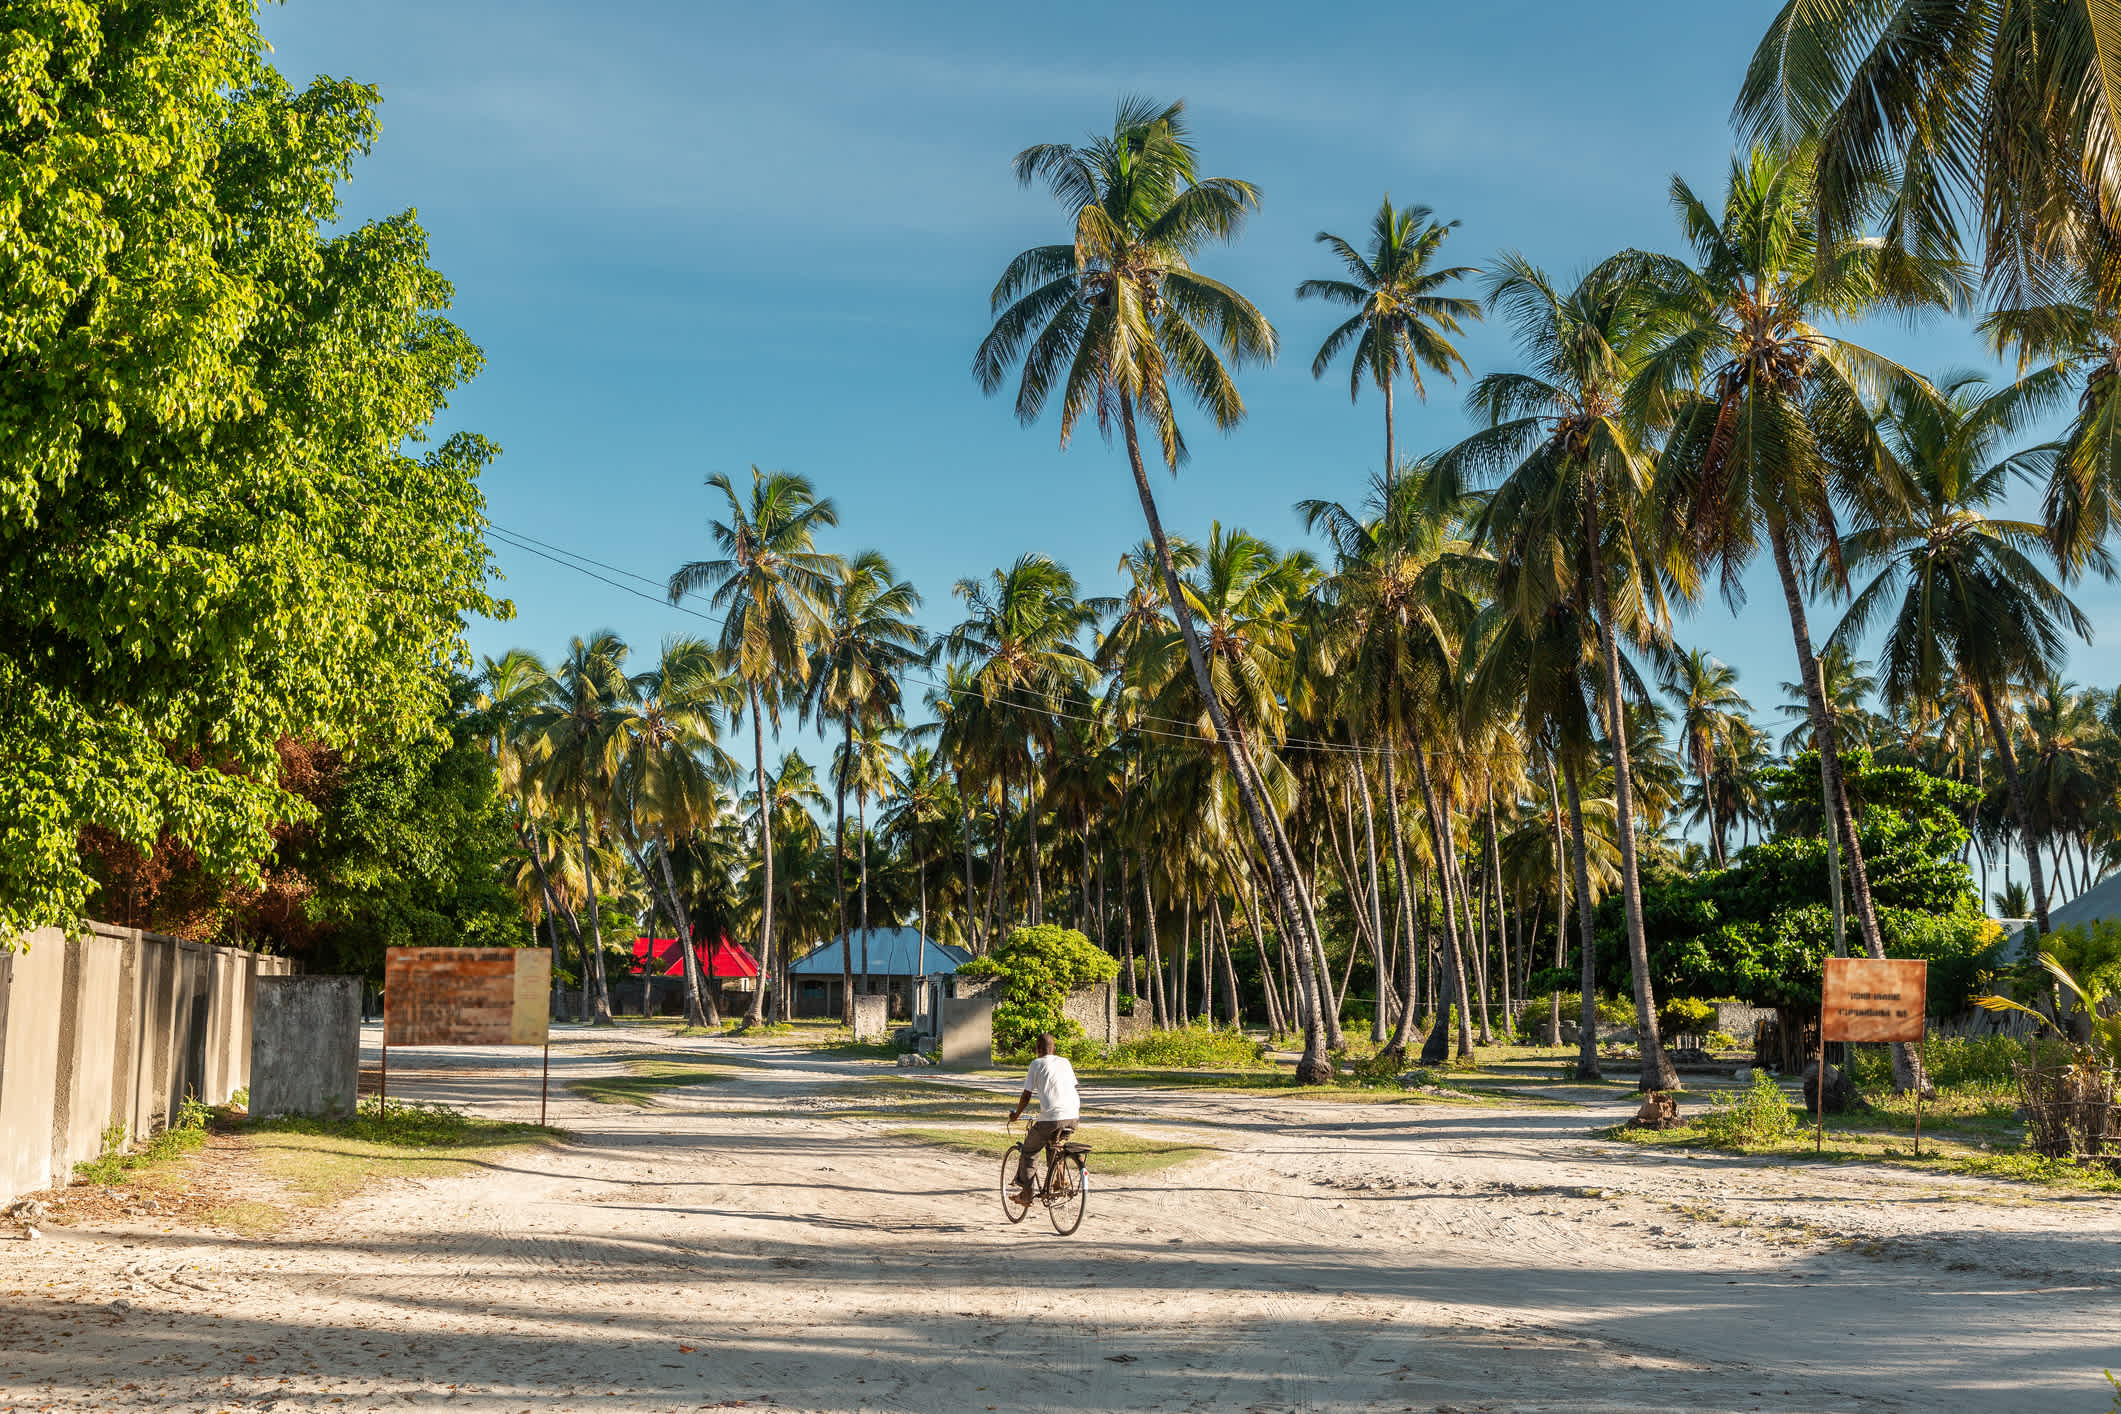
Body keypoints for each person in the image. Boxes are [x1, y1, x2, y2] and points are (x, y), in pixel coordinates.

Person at [1006, 1032, 1078, 1207]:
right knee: (1055, 1145)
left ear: (1037, 1049)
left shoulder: (1036, 1064)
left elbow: (1026, 1095)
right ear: (1054, 1049)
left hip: (1051, 1119)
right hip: (1073, 1117)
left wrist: (1016, 1114)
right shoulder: (1065, 1062)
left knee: (1029, 1151)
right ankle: (1059, 1181)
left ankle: (1026, 1194)